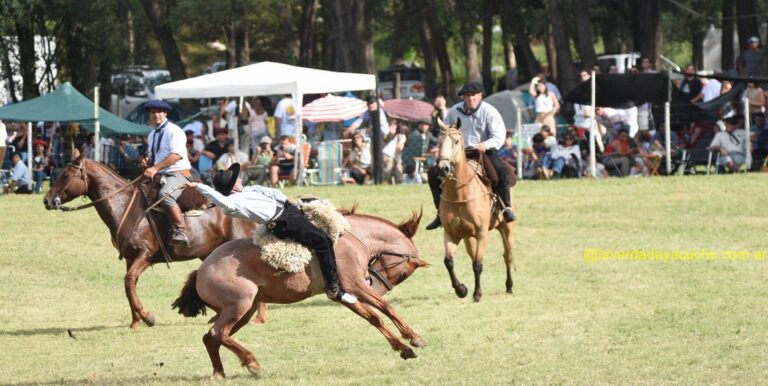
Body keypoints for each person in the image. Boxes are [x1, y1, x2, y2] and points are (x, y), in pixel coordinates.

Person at [188, 164, 357, 304]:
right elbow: (221, 200)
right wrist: (200, 187)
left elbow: (271, 192)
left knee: (320, 209)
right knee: (323, 241)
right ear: (232, 186)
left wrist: (287, 201)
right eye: (236, 178)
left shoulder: (246, 191)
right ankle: (334, 288)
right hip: (285, 222)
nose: (240, 178)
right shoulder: (233, 203)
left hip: (288, 209)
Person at [425, 81, 516, 230]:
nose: (471, 98)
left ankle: (506, 208)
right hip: (458, 153)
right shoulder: (454, 111)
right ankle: (440, 213)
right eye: (467, 96)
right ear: (464, 98)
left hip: (483, 151)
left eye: (474, 95)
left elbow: (499, 135)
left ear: (480, 96)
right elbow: (446, 131)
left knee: (500, 171)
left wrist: (485, 144)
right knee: (433, 174)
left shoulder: (489, 111)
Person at [142, 99, 193, 246]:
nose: (156, 115)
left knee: (165, 195)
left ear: (165, 113)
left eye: (159, 112)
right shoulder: (152, 134)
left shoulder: (174, 131)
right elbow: (154, 156)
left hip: (178, 174)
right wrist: (147, 161)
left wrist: (155, 168)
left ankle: (181, 231)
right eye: (153, 112)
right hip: (160, 174)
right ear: (149, 115)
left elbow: (177, 155)